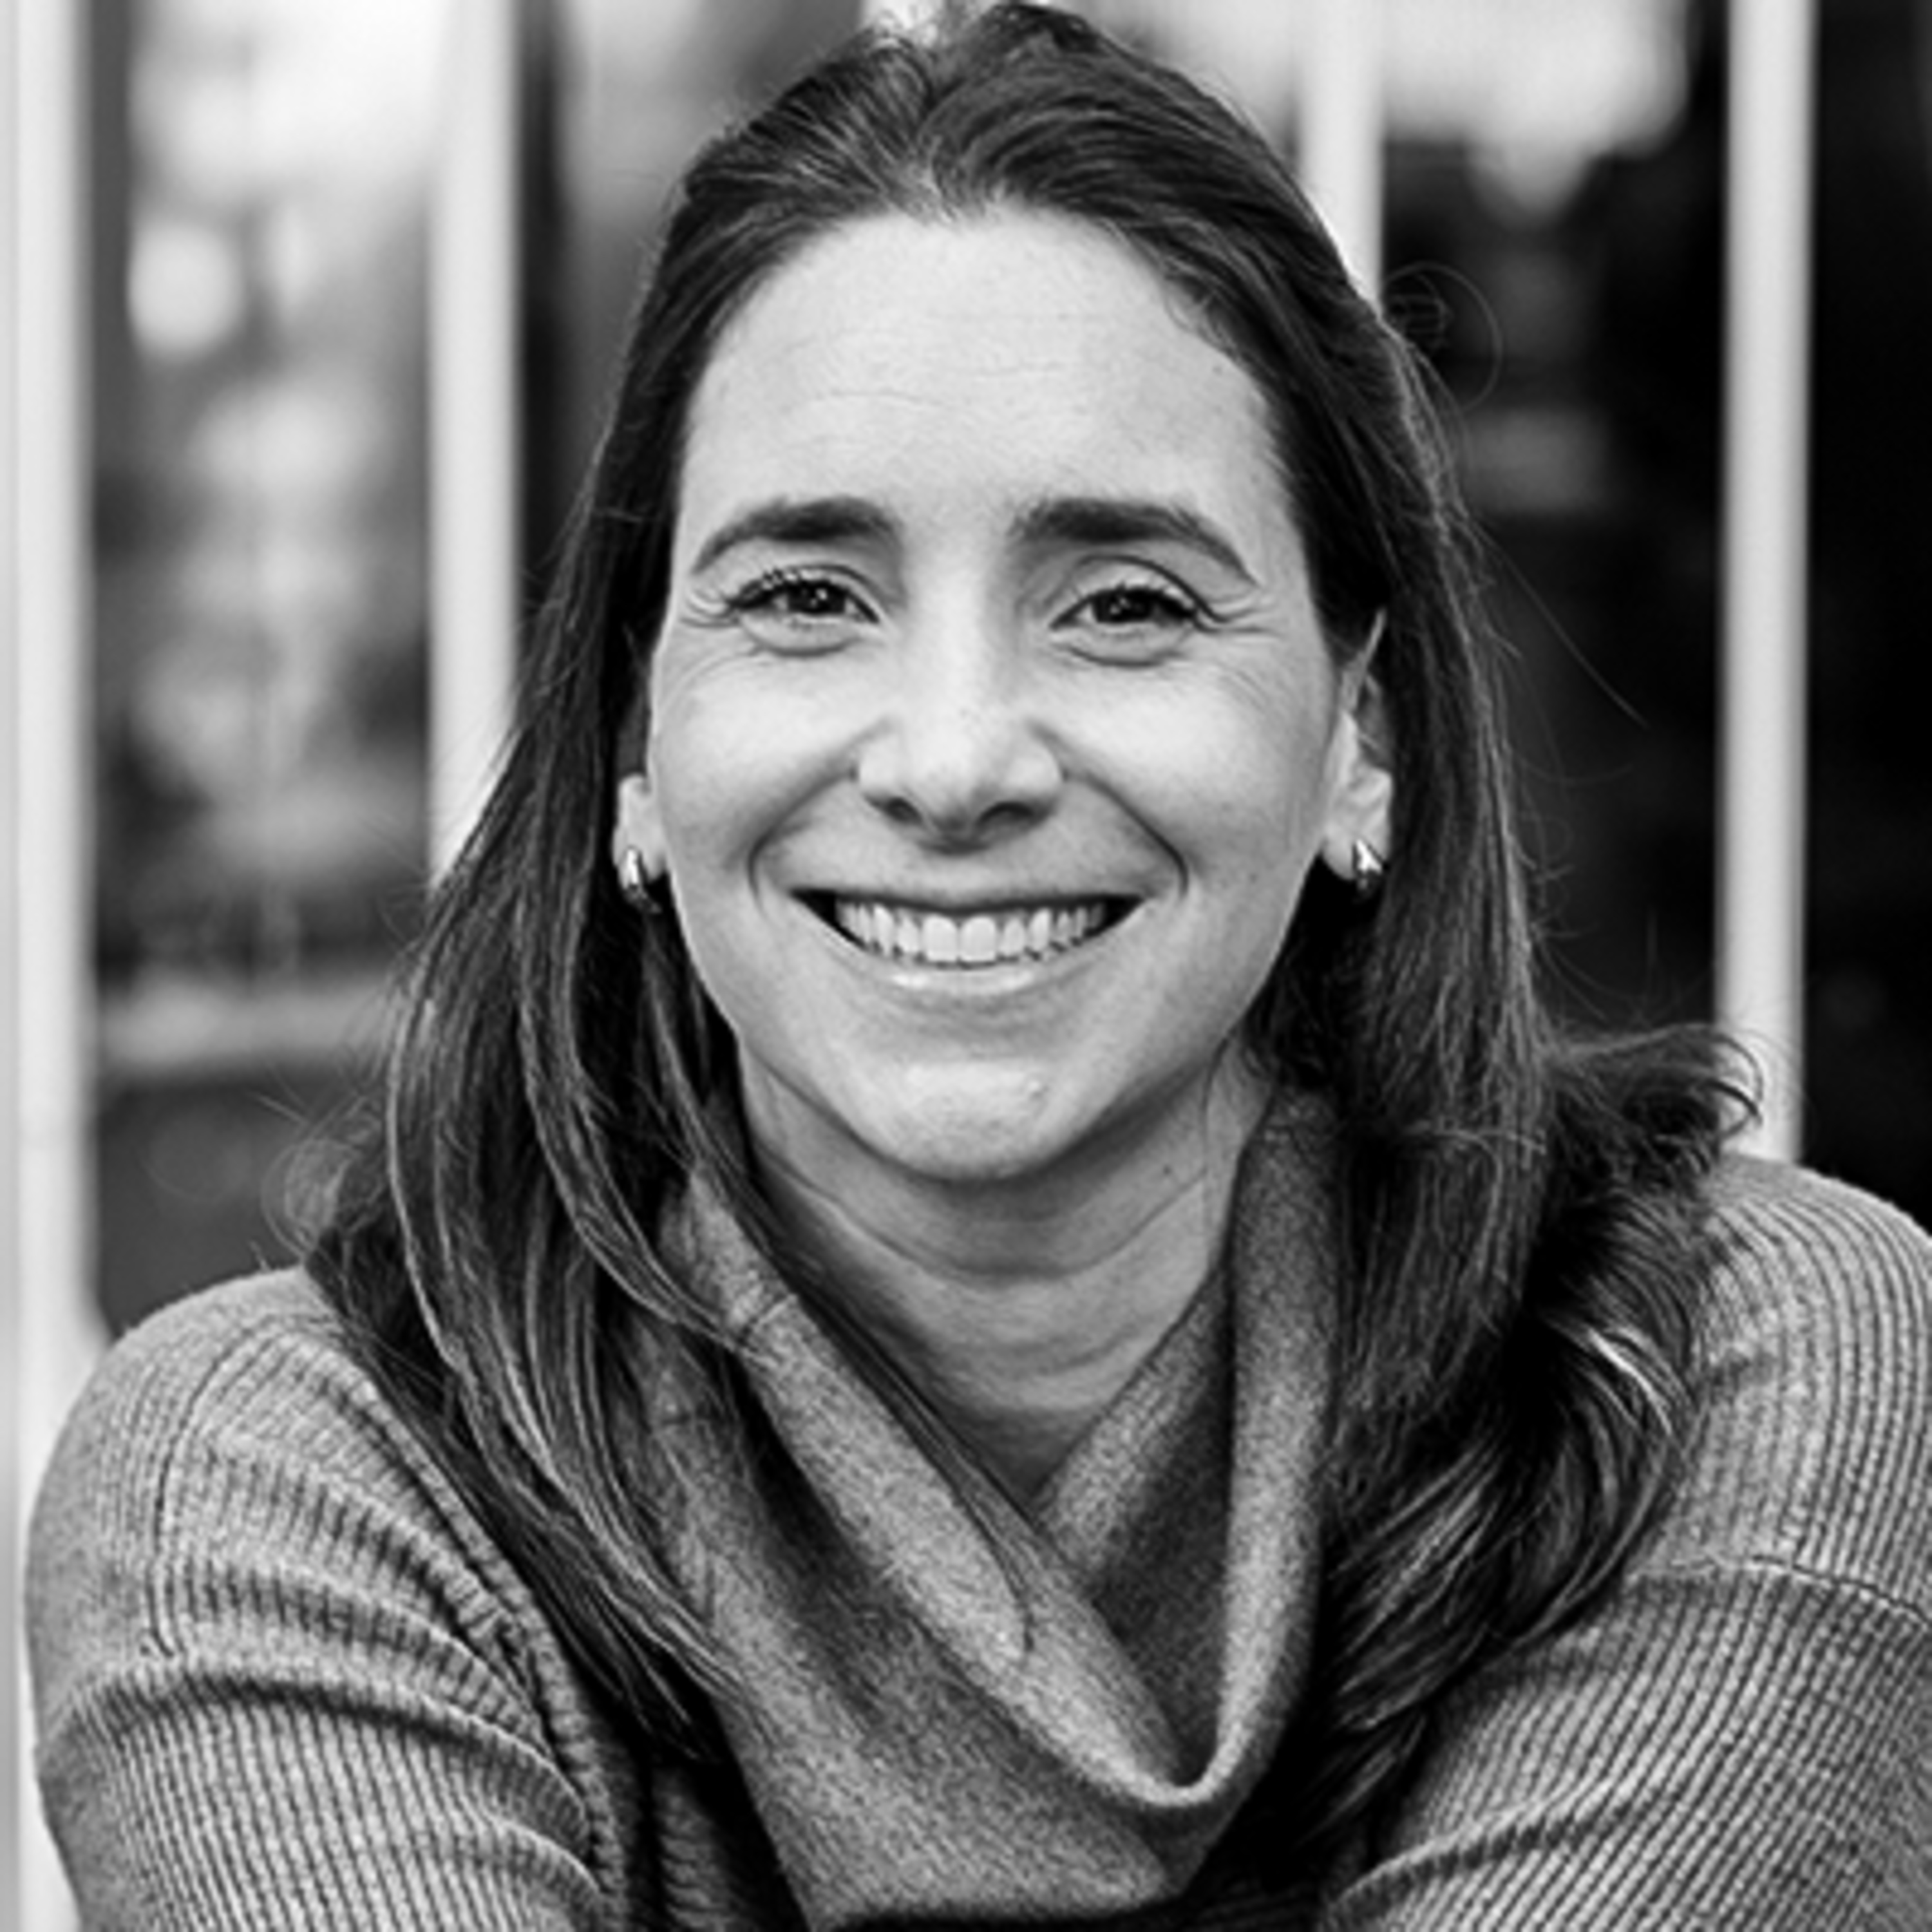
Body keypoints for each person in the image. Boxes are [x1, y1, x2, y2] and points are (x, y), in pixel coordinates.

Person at [28, 4, 1931, 1925]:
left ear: (1358, 736)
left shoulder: (1726, 1373)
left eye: (1125, 604)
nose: (952, 763)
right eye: (807, 597)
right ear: (632, 748)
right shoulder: (285, 1479)